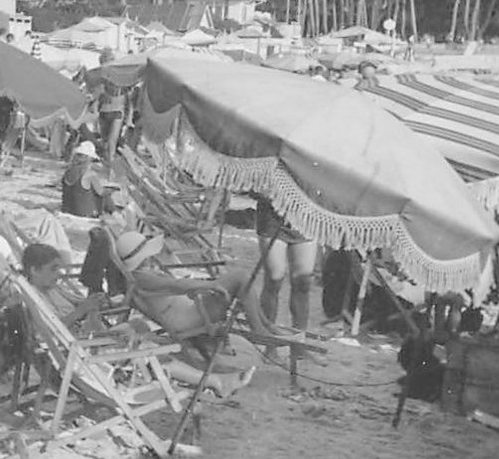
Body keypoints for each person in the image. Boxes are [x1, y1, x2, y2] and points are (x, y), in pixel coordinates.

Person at [108, 231, 262, 397]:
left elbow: (173, 286)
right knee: (239, 277)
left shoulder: (136, 277)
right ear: (143, 257)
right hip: (193, 318)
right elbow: (176, 285)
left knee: (237, 278)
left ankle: (263, 326)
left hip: (187, 313)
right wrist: (210, 285)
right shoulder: (142, 278)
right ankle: (260, 329)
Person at [255, 195, 318, 334]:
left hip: (307, 220)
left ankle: (298, 344)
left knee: (303, 283)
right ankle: (269, 343)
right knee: (274, 278)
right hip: (273, 218)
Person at [61, 141, 115, 218]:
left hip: (67, 210)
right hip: (85, 213)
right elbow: (101, 192)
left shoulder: (68, 171)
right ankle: (116, 213)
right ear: (88, 158)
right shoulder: (89, 174)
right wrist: (112, 190)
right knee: (105, 196)